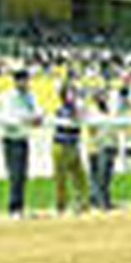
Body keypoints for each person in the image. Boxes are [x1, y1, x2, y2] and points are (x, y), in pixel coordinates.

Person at [0, 68, 42, 218]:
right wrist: (25, 119)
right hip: (10, 138)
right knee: (15, 174)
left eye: (26, 80)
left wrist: (34, 118)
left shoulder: (30, 96)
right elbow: (7, 118)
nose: (25, 83)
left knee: (23, 174)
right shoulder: (8, 97)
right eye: (22, 80)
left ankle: (20, 206)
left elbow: (38, 112)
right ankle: (14, 207)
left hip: (23, 138)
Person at [51, 82, 89, 215]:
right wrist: (79, 109)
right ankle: (61, 206)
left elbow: (83, 116)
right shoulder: (61, 109)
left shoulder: (78, 107)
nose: (73, 95)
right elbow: (73, 118)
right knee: (61, 178)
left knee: (79, 176)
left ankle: (80, 203)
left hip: (74, 145)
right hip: (61, 146)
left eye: (74, 92)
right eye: (70, 93)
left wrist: (81, 107)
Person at [85, 90, 117, 211]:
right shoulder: (91, 111)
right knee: (99, 175)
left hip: (110, 144)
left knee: (107, 175)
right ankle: (98, 200)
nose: (103, 98)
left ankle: (104, 199)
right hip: (97, 146)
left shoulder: (109, 111)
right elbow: (91, 129)